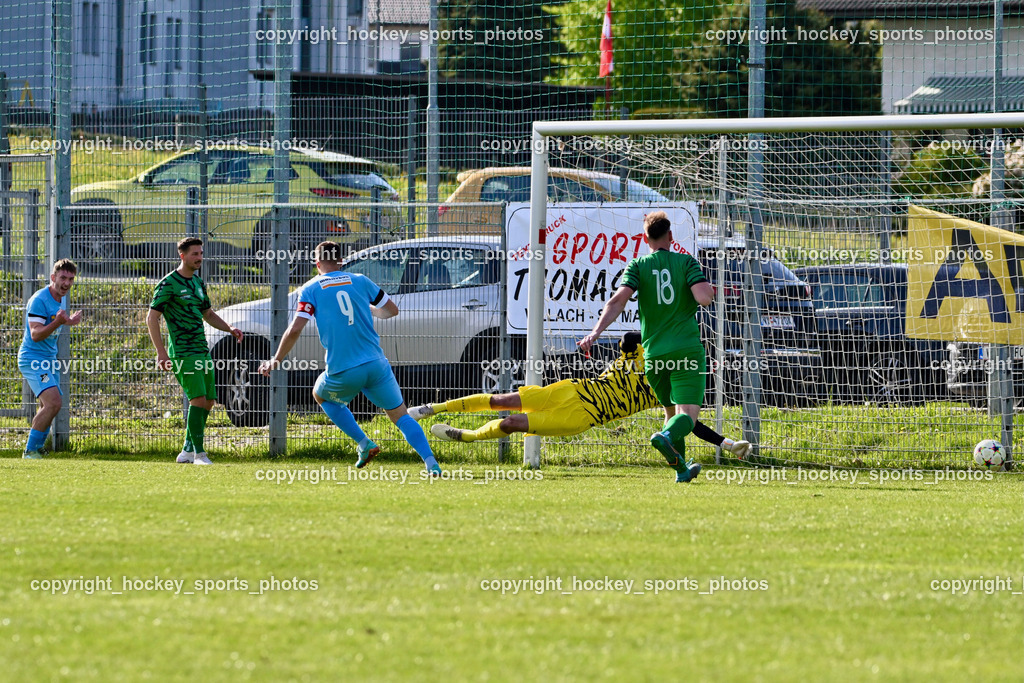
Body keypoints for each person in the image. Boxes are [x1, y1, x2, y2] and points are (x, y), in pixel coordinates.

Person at [412, 332, 750, 460]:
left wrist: (726, 443)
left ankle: (469, 436)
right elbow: (631, 336)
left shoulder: (667, 390)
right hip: (573, 388)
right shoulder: (643, 352)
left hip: (582, 417)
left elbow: (688, 423)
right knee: (502, 399)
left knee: (511, 421)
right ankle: (433, 407)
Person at [258, 241, 441, 475]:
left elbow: (295, 329)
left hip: (344, 368)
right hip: (376, 365)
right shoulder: (361, 280)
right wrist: (370, 310)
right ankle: (431, 464)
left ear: (317, 264)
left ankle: (365, 442)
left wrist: (276, 359)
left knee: (320, 394)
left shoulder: (311, 287)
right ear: (341, 260)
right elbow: (392, 311)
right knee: (401, 416)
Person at [579, 211, 715, 483]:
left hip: (654, 356)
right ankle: (664, 437)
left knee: (670, 413)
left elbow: (617, 301)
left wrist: (594, 333)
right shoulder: (687, 262)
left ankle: (682, 470)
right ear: (671, 236)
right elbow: (704, 300)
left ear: (645, 238)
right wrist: (709, 290)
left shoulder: (637, 266)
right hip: (686, 351)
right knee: (686, 416)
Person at [147, 237, 243, 465]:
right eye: (194, 254)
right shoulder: (168, 283)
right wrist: (161, 352)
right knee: (197, 399)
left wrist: (229, 328)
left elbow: (208, 314)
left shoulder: (198, 283)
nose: (199, 258)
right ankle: (200, 454)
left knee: (209, 400)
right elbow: (152, 318)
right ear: (182, 256)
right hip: (182, 351)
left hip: (201, 349)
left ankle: (187, 451)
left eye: (201, 253)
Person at [18, 258, 82, 459]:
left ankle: (37, 448)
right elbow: (36, 334)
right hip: (33, 359)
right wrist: (59, 322)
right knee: (54, 403)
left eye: (71, 279)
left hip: (48, 359)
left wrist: (68, 321)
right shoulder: (39, 299)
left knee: (48, 405)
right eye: (63, 278)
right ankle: (30, 450)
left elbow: (57, 319)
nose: (67, 283)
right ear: (53, 277)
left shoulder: (61, 296)